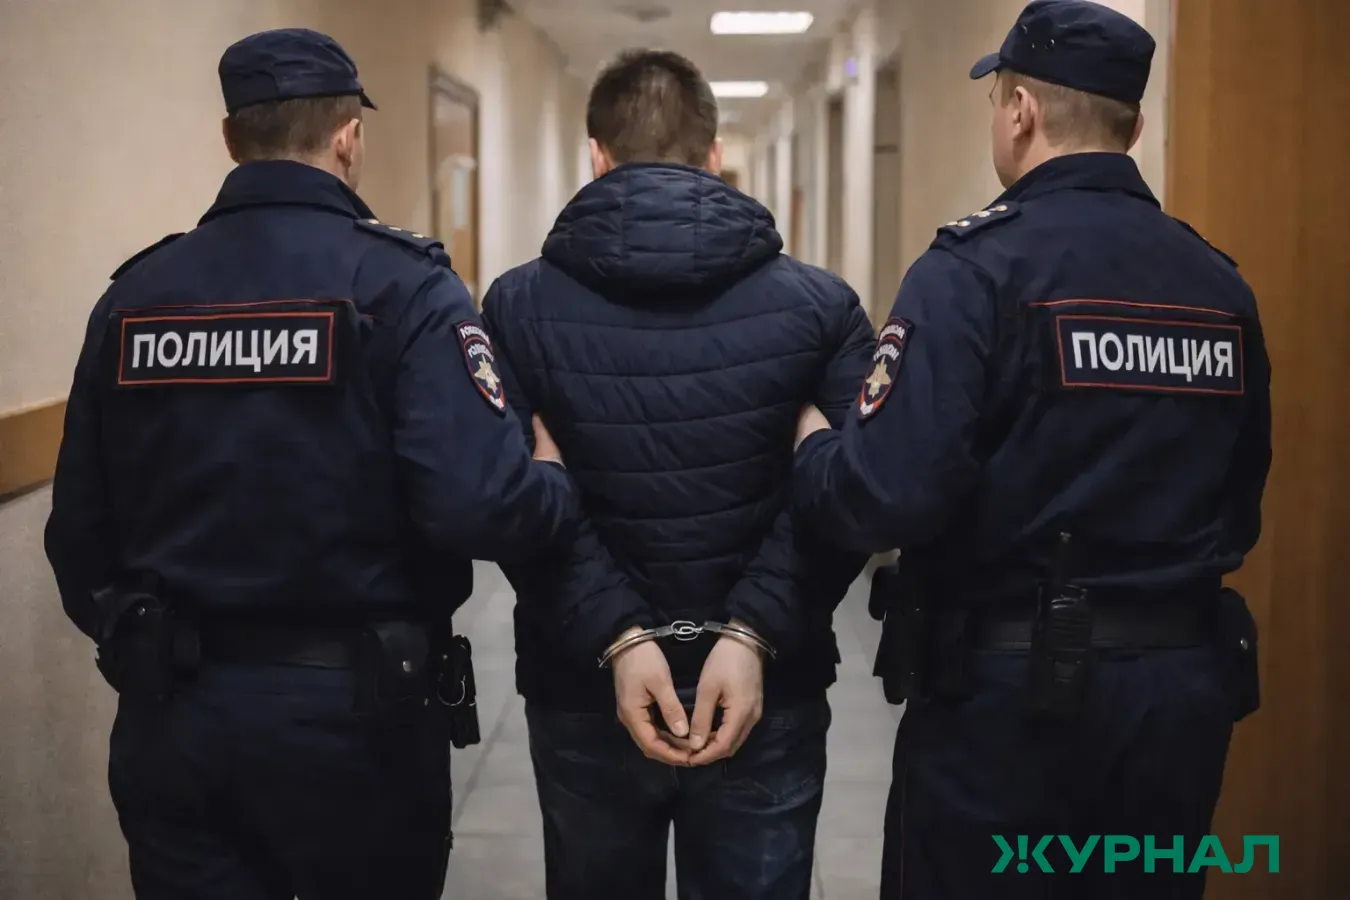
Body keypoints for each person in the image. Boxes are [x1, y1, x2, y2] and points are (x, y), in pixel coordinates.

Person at [44, 27, 587, 900]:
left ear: (232, 139)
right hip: (358, 723)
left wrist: (149, 646)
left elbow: (78, 535)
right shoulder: (405, 287)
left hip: (175, 714)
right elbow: (478, 505)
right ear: (348, 138)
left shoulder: (137, 297)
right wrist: (552, 484)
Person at [792, 1, 1271, 898]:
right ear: (1133, 128)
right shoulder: (1218, 287)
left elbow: (884, 496)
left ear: (1020, 111)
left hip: (1007, 711)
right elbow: (1241, 494)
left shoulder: (972, 271)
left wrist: (815, 444)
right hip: (1176, 704)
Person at [480, 49, 875, 900]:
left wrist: (618, 638)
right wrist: (753, 631)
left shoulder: (513, 308)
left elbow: (510, 498)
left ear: (597, 156)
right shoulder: (824, 307)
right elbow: (854, 498)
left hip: (583, 684)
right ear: (714, 154)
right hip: (766, 692)